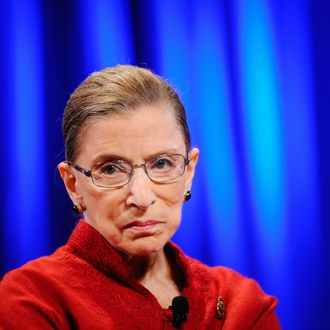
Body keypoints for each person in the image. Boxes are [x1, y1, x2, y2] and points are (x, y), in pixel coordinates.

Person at [0, 65, 281, 329]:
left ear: (189, 170)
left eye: (161, 163)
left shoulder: (239, 302)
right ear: (73, 183)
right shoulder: (32, 300)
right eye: (110, 169)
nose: (141, 197)